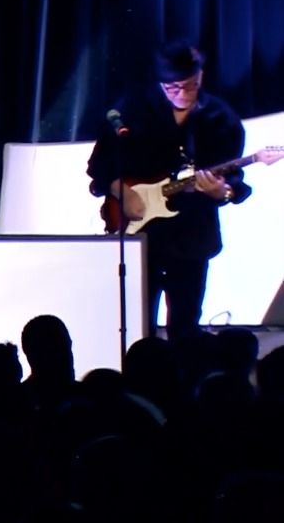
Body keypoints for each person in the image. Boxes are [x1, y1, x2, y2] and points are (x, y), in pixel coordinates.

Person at [87, 40, 251, 341]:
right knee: (137, 326)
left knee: (185, 327)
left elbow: (233, 181)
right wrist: (122, 190)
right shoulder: (132, 108)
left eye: (190, 85)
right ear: (160, 82)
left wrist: (222, 193)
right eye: (173, 87)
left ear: (200, 76)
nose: (183, 94)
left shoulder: (220, 119)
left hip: (191, 237)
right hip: (140, 236)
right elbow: (100, 165)